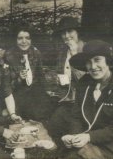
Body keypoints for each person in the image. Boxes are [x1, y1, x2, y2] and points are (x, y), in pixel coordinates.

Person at [60, 40, 113, 159]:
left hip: (109, 144)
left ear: (108, 62)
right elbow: (76, 116)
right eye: (89, 62)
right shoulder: (84, 83)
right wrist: (73, 136)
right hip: (83, 138)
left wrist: (89, 137)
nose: (93, 67)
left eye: (97, 60)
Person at [46, 17, 86, 145]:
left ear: (77, 32)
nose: (66, 36)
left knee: (75, 137)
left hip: (85, 100)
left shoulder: (86, 50)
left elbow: (85, 80)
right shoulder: (63, 51)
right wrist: (57, 81)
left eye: (70, 31)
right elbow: (60, 73)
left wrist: (75, 55)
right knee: (52, 128)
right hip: (67, 99)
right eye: (63, 33)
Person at [4, 29, 53, 122]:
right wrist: (19, 79)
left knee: (44, 114)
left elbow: (40, 75)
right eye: (20, 38)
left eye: (27, 38)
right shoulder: (8, 56)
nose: (24, 41)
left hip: (34, 93)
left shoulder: (35, 53)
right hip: (17, 94)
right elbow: (6, 85)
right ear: (15, 40)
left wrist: (47, 90)